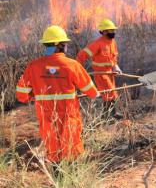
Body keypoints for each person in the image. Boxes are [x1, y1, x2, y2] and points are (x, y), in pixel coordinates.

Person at [16, 25, 99, 167]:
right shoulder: (72, 65)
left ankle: (57, 179)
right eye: (64, 44)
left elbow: (21, 95)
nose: (66, 46)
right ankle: (72, 179)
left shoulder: (33, 66)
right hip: (68, 116)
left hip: (47, 116)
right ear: (59, 45)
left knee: (53, 148)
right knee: (71, 147)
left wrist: (32, 95)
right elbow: (91, 91)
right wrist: (96, 94)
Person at [77, 19, 122, 119]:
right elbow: (82, 55)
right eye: (111, 30)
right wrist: (78, 69)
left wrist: (115, 66)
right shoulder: (97, 44)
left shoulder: (112, 42)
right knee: (108, 94)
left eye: (113, 30)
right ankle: (106, 116)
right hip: (101, 74)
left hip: (110, 72)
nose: (113, 32)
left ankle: (112, 113)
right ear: (104, 31)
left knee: (113, 93)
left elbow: (113, 57)